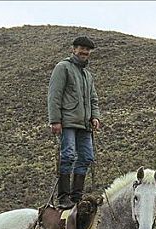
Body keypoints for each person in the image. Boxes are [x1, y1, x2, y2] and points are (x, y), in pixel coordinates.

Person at [48, 36, 101, 209]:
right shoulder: (62, 67)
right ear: (74, 49)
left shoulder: (87, 75)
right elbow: (54, 95)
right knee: (68, 156)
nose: (84, 52)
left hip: (85, 125)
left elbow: (93, 99)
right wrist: (55, 120)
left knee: (86, 157)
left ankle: (77, 197)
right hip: (68, 122)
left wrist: (95, 117)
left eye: (87, 50)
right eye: (81, 49)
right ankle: (63, 197)